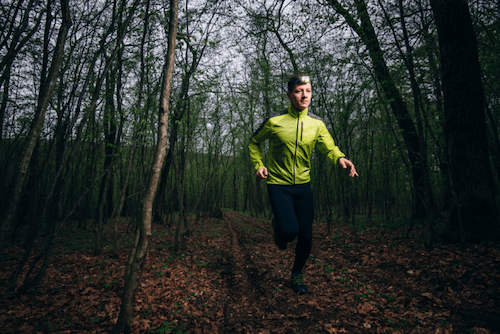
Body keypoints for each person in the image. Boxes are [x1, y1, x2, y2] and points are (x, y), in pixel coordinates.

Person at [248, 74, 359, 294]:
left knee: (306, 235)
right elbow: (254, 142)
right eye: (298, 91)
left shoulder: (316, 124)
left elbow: (329, 147)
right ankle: (279, 229)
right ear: (289, 95)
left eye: (307, 91)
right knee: (290, 231)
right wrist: (258, 165)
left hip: (303, 186)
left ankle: (297, 274)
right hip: (278, 184)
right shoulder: (274, 121)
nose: (304, 95)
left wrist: (340, 158)